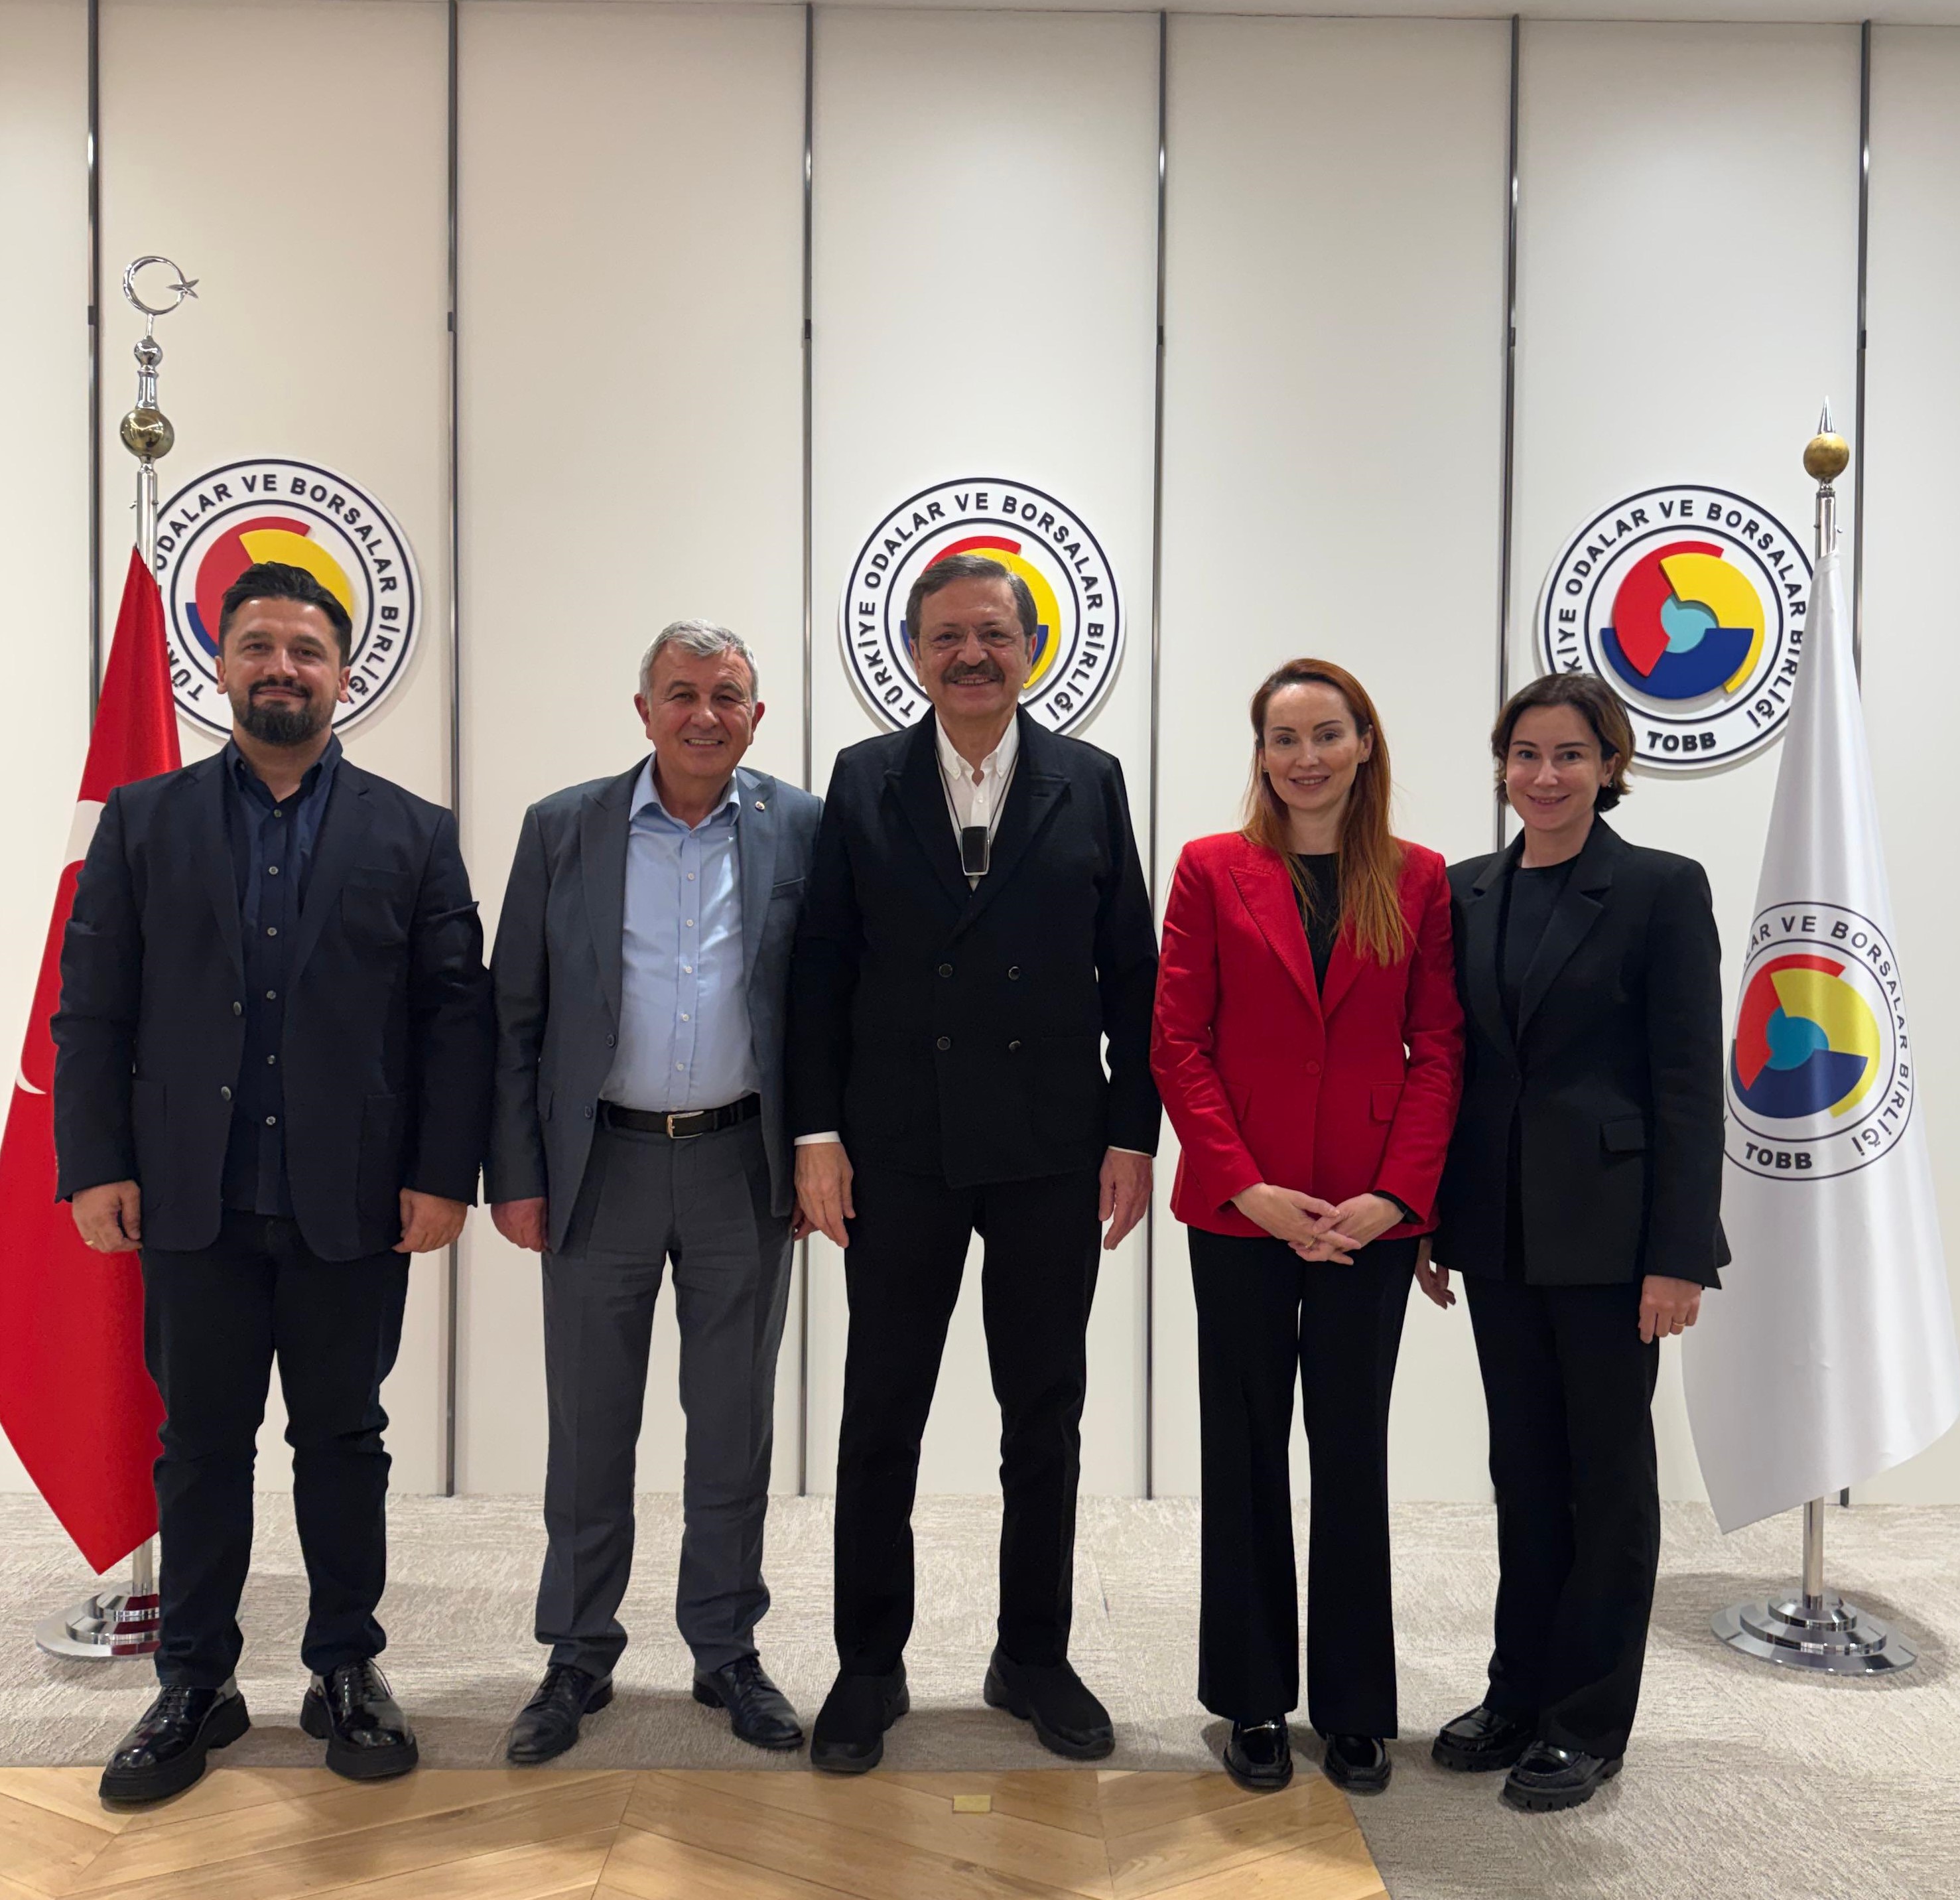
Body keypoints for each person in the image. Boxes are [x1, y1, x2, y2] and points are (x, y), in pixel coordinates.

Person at [54, 561, 493, 1804]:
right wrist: (94, 1165)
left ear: (343, 674)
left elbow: (453, 1020)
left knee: (343, 1441)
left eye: (306, 650)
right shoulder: (142, 821)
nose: (281, 668)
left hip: (351, 1200)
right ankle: (194, 1682)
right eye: (258, 646)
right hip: (189, 1197)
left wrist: (441, 1176)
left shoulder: (415, 833)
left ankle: (345, 1667)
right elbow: (93, 1010)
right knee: (200, 1447)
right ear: (223, 664)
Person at [788, 553, 1160, 1775]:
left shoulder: (1090, 780)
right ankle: (868, 1663)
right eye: (947, 635)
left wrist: (1131, 1132)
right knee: (880, 1414)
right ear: (914, 652)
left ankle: (1033, 1656)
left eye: (993, 634)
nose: (971, 656)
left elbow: (1133, 972)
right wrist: (816, 1135)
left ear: (1030, 648)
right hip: (898, 1147)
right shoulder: (863, 778)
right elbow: (820, 968)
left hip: (1052, 1147)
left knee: (1043, 1416)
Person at [486, 620, 822, 1765]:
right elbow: (515, 1014)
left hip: (742, 1166)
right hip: (600, 1167)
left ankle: (726, 1649)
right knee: (590, 1428)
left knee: (733, 1426)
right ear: (643, 711)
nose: (703, 716)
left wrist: (817, 1152)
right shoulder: (563, 826)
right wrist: (516, 1174)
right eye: (681, 694)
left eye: (726, 696)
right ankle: (577, 1652)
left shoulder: (802, 827)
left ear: (756, 717)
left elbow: (828, 1005)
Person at [1150, 659, 1462, 1797]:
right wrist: (1248, 1188)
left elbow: (1440, 1049)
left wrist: (1397, 1198)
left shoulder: (1419, 878)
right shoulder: (1210, 867)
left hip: (1371, 1218)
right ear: (1262, 755)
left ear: (1365, 742)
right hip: (1244, 1214)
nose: (1306, 757)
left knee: (1351, 1450)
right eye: (1284, 739)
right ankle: (1251, 1698)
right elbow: (1177, 1042)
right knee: (1243, 1451)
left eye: (1327, 734)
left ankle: (1356, 1707)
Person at [1421, 672, 1726, 1812]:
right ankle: (1517, 1693)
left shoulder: (1659, 888)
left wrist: (1679, 1254)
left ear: (1610, 766)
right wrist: (1432, 1218)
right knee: (1524, 1471)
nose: (1544, 776)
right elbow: (1450, 1067)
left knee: (1608, 1482)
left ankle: (1588, 1721)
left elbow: (1690, 1084)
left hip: (1613, 1237)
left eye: (1569, 756)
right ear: (1502, 765)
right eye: (1526, 755)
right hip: (1496, 1230)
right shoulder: (1465, 890)